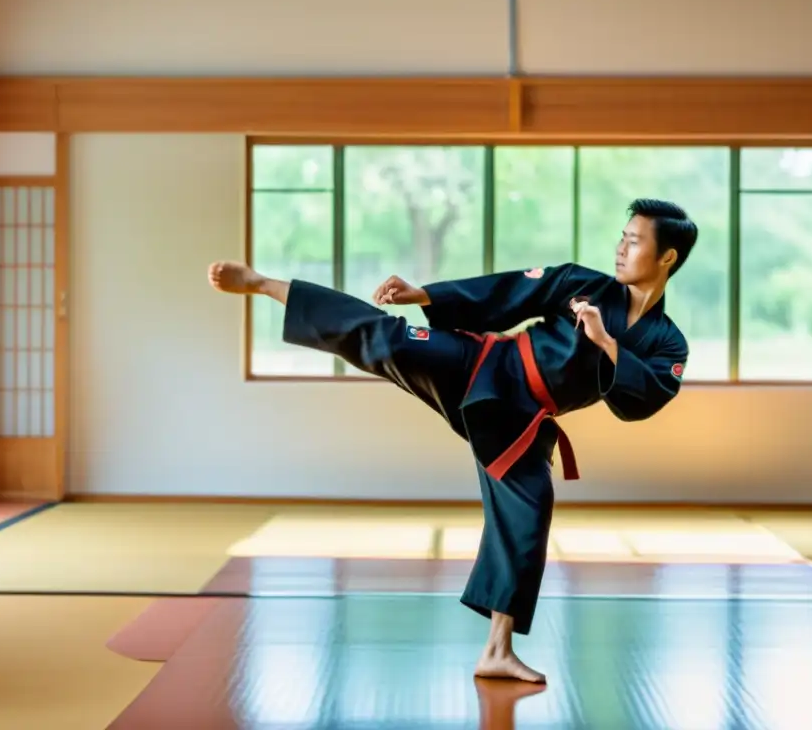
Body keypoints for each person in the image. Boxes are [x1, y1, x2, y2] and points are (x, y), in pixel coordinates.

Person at [207, 198, 697, 683]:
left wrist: (606, 343)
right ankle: (263, 283)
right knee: (387, 338)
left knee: (529, 513)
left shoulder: (668, 342)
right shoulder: (582, 284)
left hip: (524, 420)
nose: (620, 248)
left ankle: (497, 651)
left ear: (667, 256)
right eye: (622, 236)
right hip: (484, 366)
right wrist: (425, 296)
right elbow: (507, 292)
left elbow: (644, 399)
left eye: (634, 241)